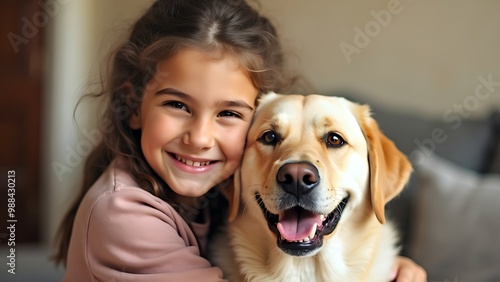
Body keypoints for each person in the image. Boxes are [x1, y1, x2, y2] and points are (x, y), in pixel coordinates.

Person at [53, 0, 426, 281]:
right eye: (177, 104)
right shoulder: (122, 214)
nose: (199, 138)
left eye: (228, 113)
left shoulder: (214, 190)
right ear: (134, 105)